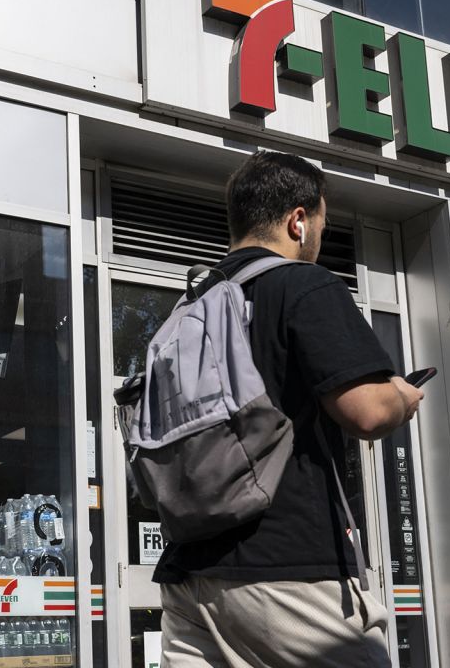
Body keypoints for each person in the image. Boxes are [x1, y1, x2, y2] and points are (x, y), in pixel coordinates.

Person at [155, 151, 424, 668]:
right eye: (321, 223)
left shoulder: (189, 307)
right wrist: (400, 396)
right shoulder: (305, 283)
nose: (320, 237)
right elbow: (366, 411)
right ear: (298, 220)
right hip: (287, 567)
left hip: (189, 575)